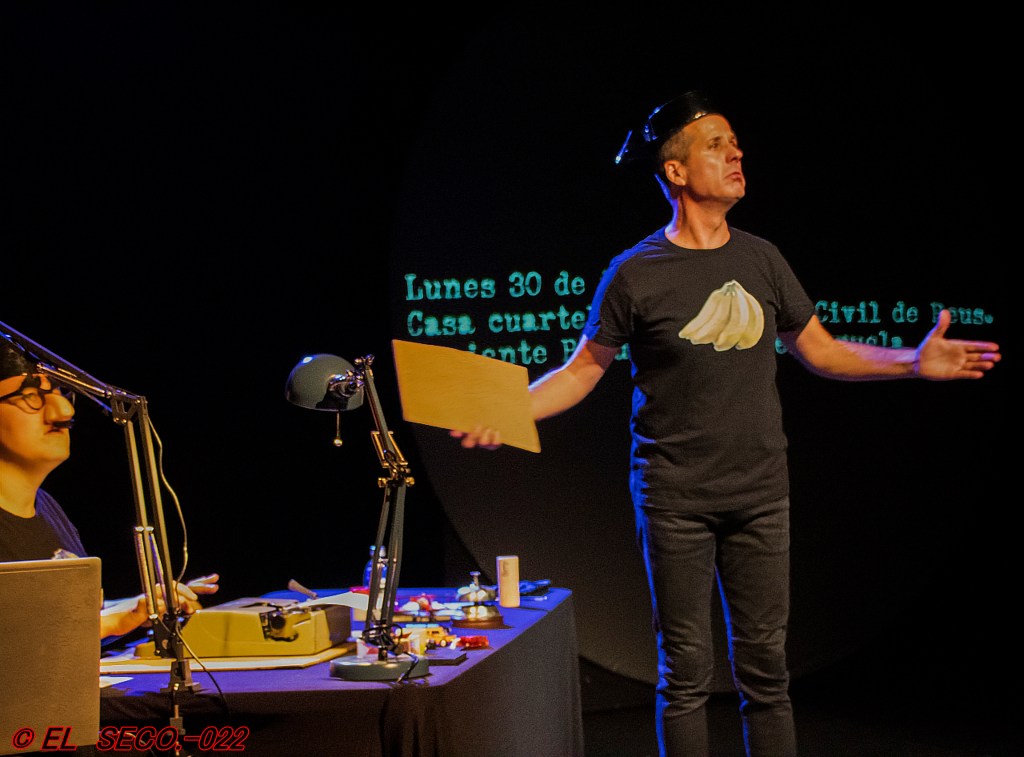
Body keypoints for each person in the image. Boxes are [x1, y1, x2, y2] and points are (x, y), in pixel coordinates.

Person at [450, 90, 1002, 756]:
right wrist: (507, 410)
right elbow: (580, 372)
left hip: (760, 494)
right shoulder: (633, 273)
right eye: (717, 145)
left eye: (736, 143)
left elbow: (822, 351)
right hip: (674, 497)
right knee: (684, 674)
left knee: (766, 674)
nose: (737, 154)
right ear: (676, 170)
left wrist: (912, 361)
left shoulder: (763, 259)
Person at [0, 339, 219, 640]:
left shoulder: (48, 508)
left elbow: (58, 615)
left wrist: (142, 607)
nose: (64, 410)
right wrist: (115, 622)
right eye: (30, 396)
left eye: (59, 392)